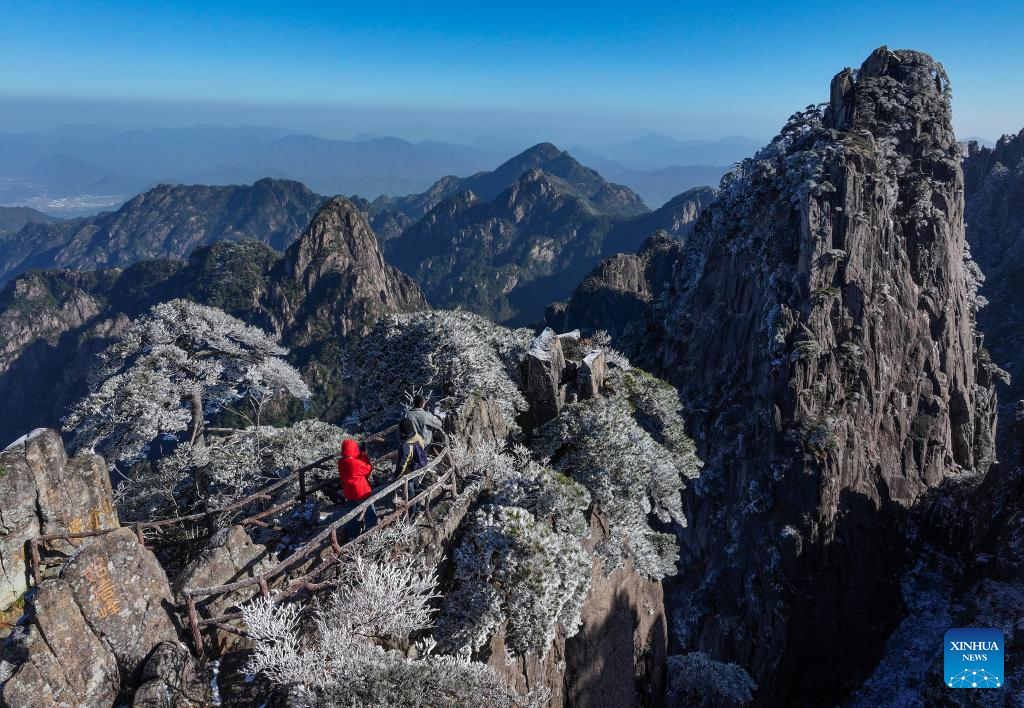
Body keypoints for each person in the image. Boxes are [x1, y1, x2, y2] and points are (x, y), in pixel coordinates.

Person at [336, 438, 377, 538]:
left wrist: (359, 455)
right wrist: (365, 455)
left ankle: (352, 535)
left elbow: (351, 459)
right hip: (362, 493)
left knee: (353, 516)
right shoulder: (355, 464)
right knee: (369, 513)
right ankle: (373, 531)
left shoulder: (341, 462)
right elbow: (368, 468)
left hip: (349, 493)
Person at [395, 418, 428, 510]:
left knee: (410, 495)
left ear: (402, 432)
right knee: (417, 487)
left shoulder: (405, 446)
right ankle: (418, 508)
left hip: (408, 473)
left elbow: (402, 465)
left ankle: (412, 513)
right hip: (417, 468)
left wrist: (396, 476)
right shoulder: (418, 436)